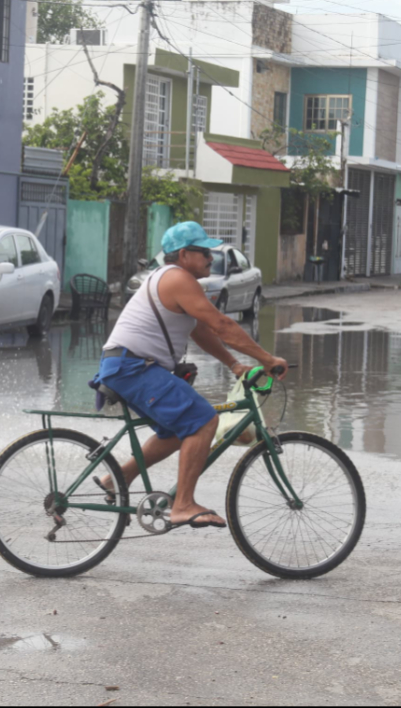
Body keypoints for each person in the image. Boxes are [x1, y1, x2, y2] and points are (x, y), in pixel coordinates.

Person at [94, 222, 289, 530]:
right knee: (204, 420)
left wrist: (234, 364)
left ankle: (117, 478)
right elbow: (223, 325)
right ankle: (183, 504)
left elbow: (201, 329)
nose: (211, 258)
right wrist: (266, 359)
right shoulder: (177, 279)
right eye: (204, 252)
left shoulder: (173, 279)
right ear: (184, 255)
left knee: (175, 431)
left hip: (129, 366)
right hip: (133, 367)